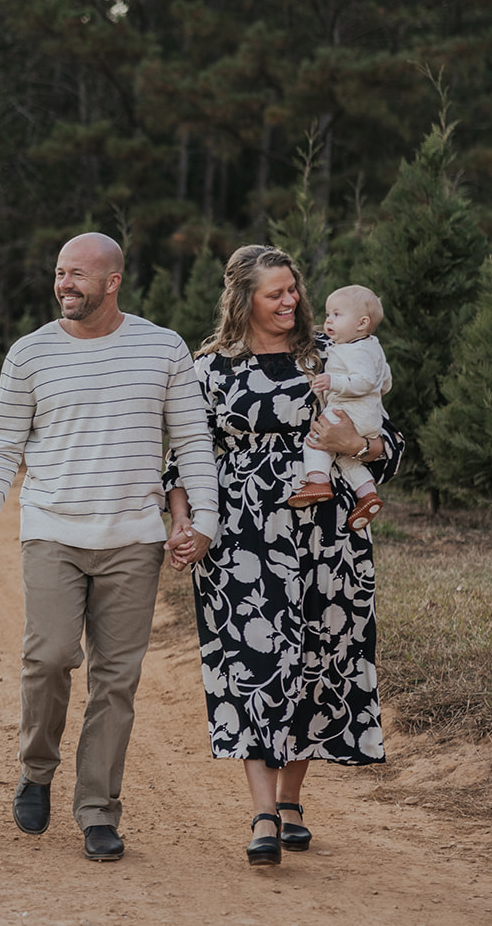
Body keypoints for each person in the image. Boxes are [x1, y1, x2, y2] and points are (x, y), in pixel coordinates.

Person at [0, 231, 220, 863]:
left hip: (133, 538)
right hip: (53, 530)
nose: (64, 284)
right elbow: (2, 444)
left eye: (78, 275)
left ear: (113, 282)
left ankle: (98, 809)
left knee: (116, 679)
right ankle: (37, 766)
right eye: (59, 272)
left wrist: (204, 521)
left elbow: (192, 443)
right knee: (49, 658)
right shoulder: (30, 355)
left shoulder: (162, 350)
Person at [165, 246, 402, 867]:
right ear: (243, 300)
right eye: (276, 293)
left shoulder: (330, 356)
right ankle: (263, 811)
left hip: (328, 533)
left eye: (293, 289)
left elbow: (393, 440)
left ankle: (293, 800)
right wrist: (184, 521)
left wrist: (362, 443)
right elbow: (184, 459)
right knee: (255, 659)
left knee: (318, 658)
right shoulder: (209, 369)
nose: (291, 301)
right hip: (242, 536)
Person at [287, 284, 391, 531]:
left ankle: (318, 481)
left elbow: (365, 380)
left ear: (362, 323)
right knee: (346, 459)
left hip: (348, 412)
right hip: (368, 418)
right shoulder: (373, 346)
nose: (328, 321)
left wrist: (334, 381)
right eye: (328, 314)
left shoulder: (353, 349)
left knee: (317, 440)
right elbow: (385, 381)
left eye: (337, 315)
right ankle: (367, 494)